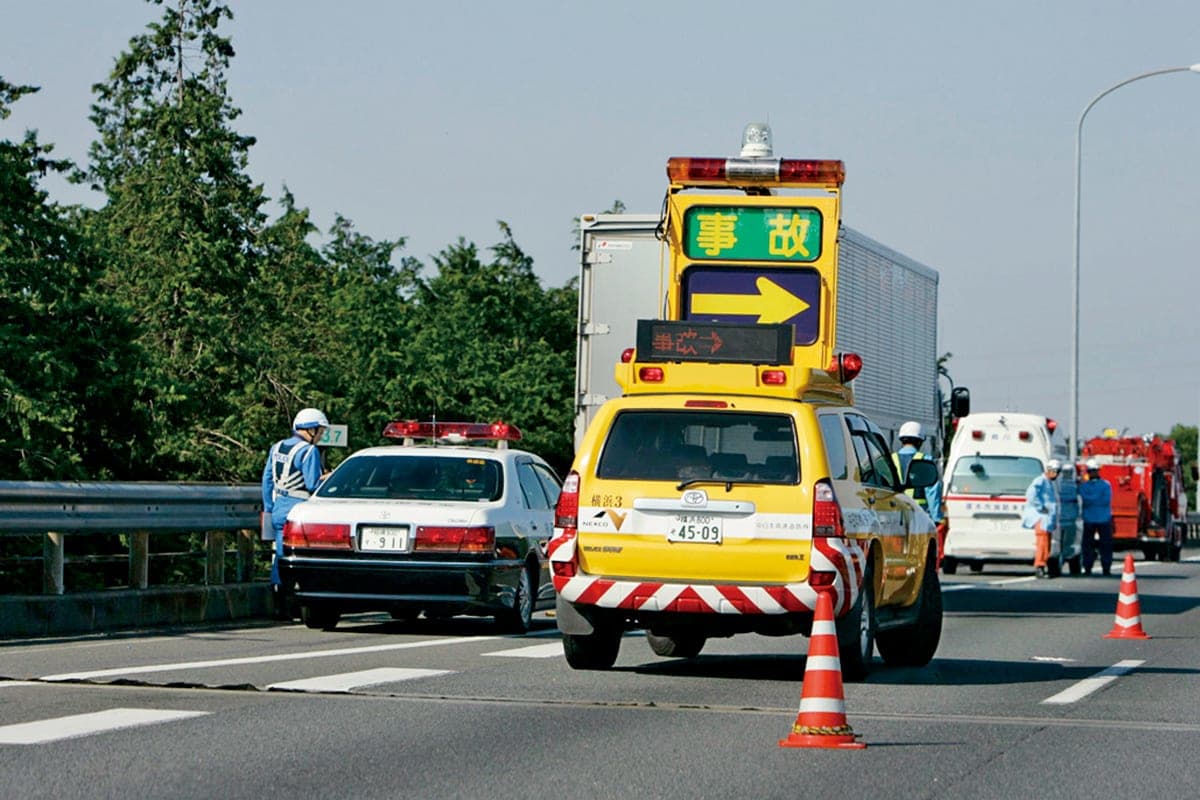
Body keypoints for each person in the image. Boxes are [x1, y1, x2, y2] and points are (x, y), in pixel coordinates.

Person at [262, 408, 331, 614]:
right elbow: (312, 484)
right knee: (295, 557)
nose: (320, 436)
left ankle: (277, 601)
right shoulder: (308, 451)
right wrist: (329, 477)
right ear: (311, 430)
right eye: (320, 431)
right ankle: (289, 604)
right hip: (298, 509)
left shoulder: (277, 447)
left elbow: (266, 480)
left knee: (279, 555)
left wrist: (269, 508)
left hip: (278, 507)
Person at [891, 421, 943, 527]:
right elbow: (932, 493)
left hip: (893, 514)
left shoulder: (890, 459)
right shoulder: (925, 461)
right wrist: (936, 518)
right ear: (920, 442)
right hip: (919, 516)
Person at [1022, 459, 1061, 578]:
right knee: (1042, 543)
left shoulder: (1049, 482)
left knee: (1046, 543)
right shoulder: (1040, 481)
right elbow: (1031, 494)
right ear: (1051, 470)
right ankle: (1039, 566)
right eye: (1056, 472)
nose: (1057, 475)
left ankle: (1044, 565)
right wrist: (1040, 507)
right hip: (1041, 518)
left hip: (1047, 519)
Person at [1078, 457, 1114, 575]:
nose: (1093, 473)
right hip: (1090, 519)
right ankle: (1087, 567)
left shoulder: (1105, 485)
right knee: (1088, 545)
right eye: (1091, 471)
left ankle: (1106, 567)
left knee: (1105, 545)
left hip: (1102, 519)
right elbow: (1085, 499)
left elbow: (1105, 500)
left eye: (1094, 470)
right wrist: (1096, 499)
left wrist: (1091, 499)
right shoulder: (1085, 486)